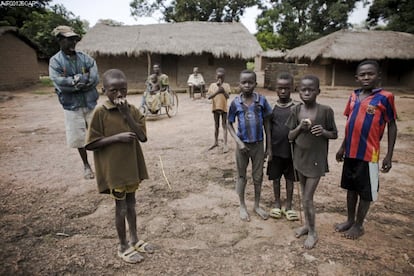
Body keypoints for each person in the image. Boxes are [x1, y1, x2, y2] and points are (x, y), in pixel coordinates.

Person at [85, 69, 154, 264]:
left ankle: (134, 239)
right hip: (115, 172)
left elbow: (143, 137)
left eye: (123, 90)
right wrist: (116, 138)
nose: (119, 94)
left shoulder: (132, 110)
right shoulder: (101, 112)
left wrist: (126, 115)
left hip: (131, 168)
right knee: (121, 208)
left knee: (132, 205)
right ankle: (122, 245)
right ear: (103, 90)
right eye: (113, 90)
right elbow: (90, 144)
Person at [334, 60, 397, 240]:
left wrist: (389, 155)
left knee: (366, 191)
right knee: (350, 188)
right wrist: (342, 147)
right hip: (351, 153)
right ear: (356, 78)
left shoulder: (385, 97)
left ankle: (359, 225)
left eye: (370, 74)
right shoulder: (353, 96)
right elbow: (350, 124)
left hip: (369, 154)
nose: (366, 77)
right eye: (362, 75)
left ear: (379, 76)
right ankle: (349, 220)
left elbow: (392, 125)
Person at [286, 75, 338, 249]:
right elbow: (290, 136)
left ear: (318, 91)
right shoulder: (295, 110)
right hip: (300, 158)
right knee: (303, 193)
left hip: (316, 161)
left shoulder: (326, 111)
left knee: (308, 198)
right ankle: (307, 226)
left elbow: (334, 134)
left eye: (311, 89)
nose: (307, 92)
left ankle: (313, 232)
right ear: (298, 91)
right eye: (303, 89)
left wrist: (323, 131)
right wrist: (300, 127)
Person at [49, 25, 99, 180]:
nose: (73, 43)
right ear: (59, 40)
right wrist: (78, 80)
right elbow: (59, 83)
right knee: (78, 137)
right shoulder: (55, 62)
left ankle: (101, 163)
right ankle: (86, 165)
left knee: (97, 133)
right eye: (69, 40)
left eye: (74, 40)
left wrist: (74, 83)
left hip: (90, 102)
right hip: (71, 106)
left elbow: (94, 78)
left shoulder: (86, 58)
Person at [228, 69, 272, 222]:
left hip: (258, 145)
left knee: (258, 177)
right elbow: (229, 123)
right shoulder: (235, 102)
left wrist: (269, 147)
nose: (247, 85)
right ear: (239, 84)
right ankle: (242, 206)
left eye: (250, 82)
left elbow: (267, 123)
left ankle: (257, 205)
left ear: (255, 84)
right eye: (243, 82)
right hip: (242, 147)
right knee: (241, 176)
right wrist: (238, 142)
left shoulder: (262, 101)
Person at [267, 72, 300, 221]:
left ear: (292, 88)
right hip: (275, 150)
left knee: (290, 179)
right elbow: (268, 130)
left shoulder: (297, 108)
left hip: (291, 151)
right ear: (276, 89)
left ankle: (289, 205)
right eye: (280, 88)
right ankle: (276, 203)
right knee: (275, 178)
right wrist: (269, 149)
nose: (283, 91)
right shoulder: (272, 109)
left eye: (286, 88)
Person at [207, 68, 231, 153]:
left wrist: (223, 90)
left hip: (224, 108)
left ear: (224, 77)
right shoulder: (212, 85)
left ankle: (225, 144)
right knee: (216, 126)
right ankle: (215, 142)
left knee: (224, 125)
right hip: (215, 108)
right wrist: (217, 91)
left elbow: (228, 96)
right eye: (218, 77)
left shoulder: (227, 85)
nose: (219, 79)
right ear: (215, 77)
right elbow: (209, 97)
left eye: (221, 77)